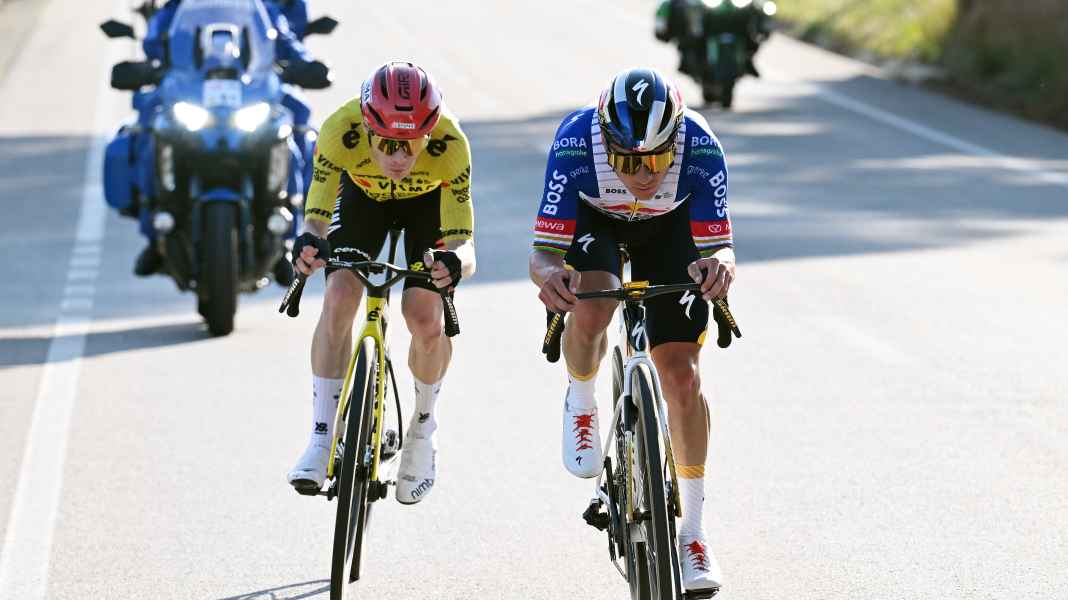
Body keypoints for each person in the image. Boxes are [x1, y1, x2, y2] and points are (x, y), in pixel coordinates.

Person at [529, 67, 735, 592]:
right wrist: (552, 277)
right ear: (605, 142)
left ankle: (693, 533)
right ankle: (580, 400)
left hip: (671, 231)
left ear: (676, 142)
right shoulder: (576, 142)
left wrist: (722, 268)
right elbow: (543, 253)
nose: (642, 174)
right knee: (591, 305)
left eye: (656, 159)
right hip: (596, 222)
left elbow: (719, 247)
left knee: (683, 378)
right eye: (626, 161)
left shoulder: (701, 147)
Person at [286, 62, 476, 505]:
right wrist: (310, 246)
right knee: (338, 296)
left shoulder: (451, 143)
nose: (399, 158)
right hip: (361, 200)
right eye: (388, 144)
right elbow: (315, 216)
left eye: (412, 145)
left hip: (426, 206)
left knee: (424, 315)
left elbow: (464, 244)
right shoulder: (339, 129)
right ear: (367, 126)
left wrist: (454, 264)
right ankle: (320, 438)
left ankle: (423, 430)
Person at [132, 0, 325, 276]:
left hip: (249, 93)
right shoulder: (178, 9)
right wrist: (146, 67)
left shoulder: (260, 9)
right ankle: (154, 235)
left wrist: (304, 65)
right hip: (192, 93)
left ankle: (287, 234)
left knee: (300, 120)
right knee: (148, 125)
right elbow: (154, 45)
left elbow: (285, 41)